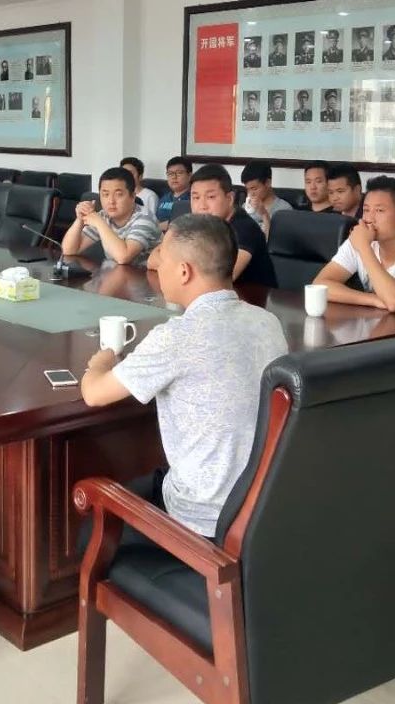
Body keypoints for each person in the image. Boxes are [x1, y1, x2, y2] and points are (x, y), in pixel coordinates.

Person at [80, 214, 288, 537]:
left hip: (202, 520)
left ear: (184, 271)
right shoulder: (267, 322)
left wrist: (101, 360)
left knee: (92, 523)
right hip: (265, 507)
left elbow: (94, 393)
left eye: (161, 257)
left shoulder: (177, 336)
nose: (156, 265)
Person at [312, 175, 395, 317]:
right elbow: (319, 285)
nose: (369, 219)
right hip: (384, 327)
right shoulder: (361, 239)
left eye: (379, 211)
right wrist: (373, 300)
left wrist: (364, 248)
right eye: (366, 210)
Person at [155, 165, 275, 286]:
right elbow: (153, 259)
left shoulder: (245, 228)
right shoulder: (198, 223)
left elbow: (220, 279)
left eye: (211, 197)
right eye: (196, 197)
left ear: (230, 198)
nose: (202, 206)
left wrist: (174, 266)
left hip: (251, 296)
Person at [61, 167, 160, 265]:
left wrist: (99, 223)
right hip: (117, 272)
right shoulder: (103, 216)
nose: (111, 201)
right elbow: (68, 250)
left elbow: (124, 257)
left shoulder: (145, 218)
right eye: (105, 194)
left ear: (133, 197)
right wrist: (80, 219)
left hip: (146, 274)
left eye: (118, 194)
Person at [240, 160, 293, 238]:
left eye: (254, 189)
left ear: (268, 183)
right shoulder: (245, 207)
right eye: (248, 189)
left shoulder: (284, 210)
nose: (250, 194)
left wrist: (264, 214)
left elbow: (278, 242)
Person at [155, 156, 193, 229]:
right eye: (170, 173)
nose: (174, 177)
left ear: (189, 176)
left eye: (179, 173)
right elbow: (156, 220)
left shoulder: (193, 198)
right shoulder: (165, 197)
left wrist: (157, 227)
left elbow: (185, 224)